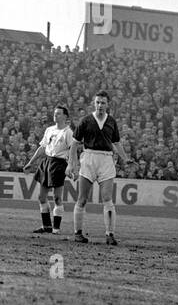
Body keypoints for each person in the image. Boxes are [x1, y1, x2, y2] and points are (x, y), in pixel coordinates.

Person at [70, 91, 132, 245]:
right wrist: (73, 164)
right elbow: (74, 143)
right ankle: (78, 233)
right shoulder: (86, 120)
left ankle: (110, 234)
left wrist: (126, 159)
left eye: (103, 103)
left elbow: (116, 143)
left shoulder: (111, 121)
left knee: (107, 198)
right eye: (98, 102)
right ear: (94, 103)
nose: (100, 105)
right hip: (89, 157)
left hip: (106, 159)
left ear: (107, 104)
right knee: (82, 199)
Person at [22, 105, 76, 233]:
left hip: (59, 163)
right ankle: (46, 226)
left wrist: (71, 166)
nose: (55, 115)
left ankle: (56, 228)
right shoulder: (49, 130)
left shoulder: (68, 132)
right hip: (47, 162)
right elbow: (42, 148)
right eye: (55, 113)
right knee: (41, 197)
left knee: (57, 197)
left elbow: (72, 151)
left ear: (65, 117)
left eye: (58, 113)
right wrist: (31, 162)